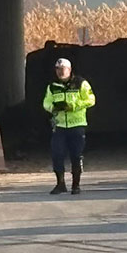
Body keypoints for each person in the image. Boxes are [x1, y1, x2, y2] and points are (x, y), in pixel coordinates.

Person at [43, 58, 96, 195]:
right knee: (57, 154)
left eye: (63, 69)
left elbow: (91, 100)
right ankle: (60, 184)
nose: (60, 72)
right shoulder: (52, 86)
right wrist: (54, 107)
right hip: (60, 126)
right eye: (58, 69)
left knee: (76, 155)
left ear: (70, 69)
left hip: (77, 125)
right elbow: (46, 102)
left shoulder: (81, 83)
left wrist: (73, 106)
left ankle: (76, 185)